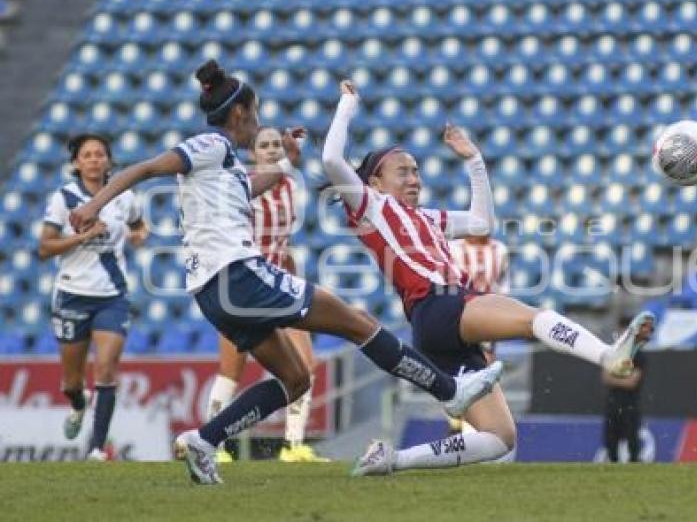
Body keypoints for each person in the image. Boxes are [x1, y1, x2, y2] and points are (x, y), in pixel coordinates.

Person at [68, 60, 503, 484]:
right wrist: (93, 205)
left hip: (213, 293)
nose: (258, 125)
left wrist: (286, 163)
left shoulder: (225, 167)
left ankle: (205, 440)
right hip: (237, 275)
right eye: (255, 115)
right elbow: (146, 168)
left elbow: (254, 184)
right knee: (357, 322)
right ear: (239, 113)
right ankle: (450, 391)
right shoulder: (212, 145)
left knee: (295, 379)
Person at [319, 81, 655, 476]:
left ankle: (393, 459)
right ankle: (607, 355)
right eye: (402, 171)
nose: (414, 178)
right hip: (442, 304)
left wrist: (474, 160)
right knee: (534, 318)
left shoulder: (428, 218)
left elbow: (482, 222)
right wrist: (348, 103)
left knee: (499, 437)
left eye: (416, 171)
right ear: (374, 182)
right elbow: (330, 158)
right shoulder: (371, 206)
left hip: (434, 328)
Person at [207, 125, 328, 463]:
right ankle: (212, 445)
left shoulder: (290, 187)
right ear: (252, 153)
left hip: (277, 285)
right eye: (266, 145)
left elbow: (281, 244)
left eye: (277, 144)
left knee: (306, 363)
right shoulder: (242, 185)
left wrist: (290, 270)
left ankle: (293, 446)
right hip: (242, 288)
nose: (273, 150)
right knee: (231, 371)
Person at [38, 133, 148, 460]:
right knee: (71, 383)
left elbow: (139, 225)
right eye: (86, 155)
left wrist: (139, 235)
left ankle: (98, 449)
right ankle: (78, 403)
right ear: (76, 162)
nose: (94, 159)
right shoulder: (64, 197)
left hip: (112, 295)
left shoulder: (124, 196)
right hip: (72, 294)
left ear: (109, 160)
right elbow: (45, 248)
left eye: (100, 154)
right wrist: (83, 236)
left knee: (106, 368)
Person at [445, 234, 509, 434]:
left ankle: (481, 424)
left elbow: (503, 288)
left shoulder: (500, 250)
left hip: (488, 315)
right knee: (457, 367)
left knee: (484, 366)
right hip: (460, 312)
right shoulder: (453, 247)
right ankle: (458, 422)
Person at [602, 347, 647, 463]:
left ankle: (634, 462)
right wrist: (624, 380)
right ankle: (613, 464)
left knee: (632, 439)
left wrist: (615, 379)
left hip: (630, 404)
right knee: (610, 440)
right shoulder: (612, 352)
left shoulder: (637, 354)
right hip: (613, 404)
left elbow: (632, 382)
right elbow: (606, 378)